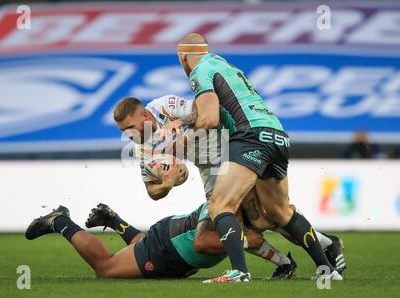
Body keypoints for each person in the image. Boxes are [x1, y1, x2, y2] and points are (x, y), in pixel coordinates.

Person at [161, 33, 342, 282]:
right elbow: (219, 108)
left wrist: (181, 143)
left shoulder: (199, 72)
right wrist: (183, 121)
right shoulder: (224, 65)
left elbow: (210, 119)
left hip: (250, 137)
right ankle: (327, 271)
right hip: (277, 135)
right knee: (280, 213)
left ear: (183, 57)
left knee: (220, 205)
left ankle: (239, 272)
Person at [113, 95, 346, 279]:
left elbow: (205, 112)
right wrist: (168, 183)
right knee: (254, 220)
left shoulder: (164, 106)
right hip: (209, 170)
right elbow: (152, 192)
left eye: (130, 127)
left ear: (144, 114)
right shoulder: (141, 149)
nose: (128, 135)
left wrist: (179, 121)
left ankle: (275, 264)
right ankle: (319, 246)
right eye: (123, 131)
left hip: (229, 150)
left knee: (262, 217)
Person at [24, 202, 295, 279]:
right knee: (106, 269)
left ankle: (114, 219)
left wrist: (283, 262)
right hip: (168, 248)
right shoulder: (227, 209)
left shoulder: (232, 202)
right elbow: (203, 243)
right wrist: (249, 242)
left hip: (169, 242)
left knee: (140, 248)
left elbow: (251, 240)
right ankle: (60, 221)